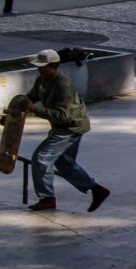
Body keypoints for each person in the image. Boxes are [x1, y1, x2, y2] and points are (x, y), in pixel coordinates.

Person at [23, 49, 110, 213]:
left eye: (43, 66)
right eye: (38, 66)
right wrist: (16, 112)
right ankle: (97, 189)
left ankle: (47, 198)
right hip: (62, 126)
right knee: (64, 164)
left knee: (41, 158)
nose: (39, 69)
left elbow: (62, 116)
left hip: (70, 126)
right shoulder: (42, 80)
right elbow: (31, 97)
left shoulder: (63, 85)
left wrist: (34, 109)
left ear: (53, 66)